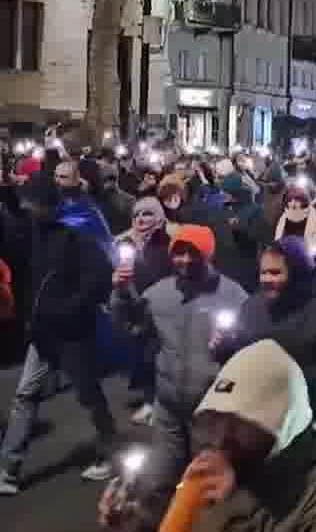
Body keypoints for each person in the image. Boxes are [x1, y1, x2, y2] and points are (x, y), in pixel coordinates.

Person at [99, 339, 316, 532]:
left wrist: (233, 504)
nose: (221, 438)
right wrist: (139, 523)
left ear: (278, 424)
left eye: (240, 422)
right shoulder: (240, 460)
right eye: (216, 420)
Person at [109, 224, 248, 518]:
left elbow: (253, 346)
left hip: (210, 412)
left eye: (192, 254)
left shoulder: (233, 295)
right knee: (157, 481)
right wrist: (121, 292)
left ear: (207, 255)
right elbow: (132, 325)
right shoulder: (159, 294)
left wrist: (231, 343)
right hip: (169, 408)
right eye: (179, 253)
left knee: (204, 489)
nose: (184, 260)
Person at [0, 172, 116, 493]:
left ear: (45, 204)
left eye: (31, 203)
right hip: (42, 333)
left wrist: (69, 310)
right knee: (25, 396)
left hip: (72, 334)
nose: (27, 209)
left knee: (88, 394)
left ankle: (110, 450)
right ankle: (8, 469)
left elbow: (99, 279)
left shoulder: (75, 233)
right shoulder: (32, 233)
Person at [216, 237, 316, 402]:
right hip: (253, 411)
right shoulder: (251, 307)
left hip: (303, 413)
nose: (266, 280)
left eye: (275, 273)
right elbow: (240, 358)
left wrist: (280, 378)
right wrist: (225, 349)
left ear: (298, 273)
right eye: (263, 273)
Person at [113, 197, 173, 425]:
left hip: (160, 309)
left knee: (159, 359)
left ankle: (162, 405)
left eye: (147, 214)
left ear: (158, 216)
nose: (140, 219)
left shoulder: (166, 242)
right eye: (137, 214)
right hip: (134, 307)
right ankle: (150, 401)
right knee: (144, 358)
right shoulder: (123, 243)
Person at [221, 172, 273, 293]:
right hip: (232, 264)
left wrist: (238, 229)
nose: (222, 195)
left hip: (250, 263)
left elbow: (265, 238)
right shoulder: (226, 207)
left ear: (235, 193)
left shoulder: (254, 210)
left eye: (226, 192)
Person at [274, 181, 316, 254]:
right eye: (290, 201)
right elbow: (279, 235)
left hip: (306, 249)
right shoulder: (283, 217)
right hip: (288, 250)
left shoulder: (313, 214)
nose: (293, 204)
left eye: (297, 201)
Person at [97, 161, 136, 235]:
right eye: (106, 179)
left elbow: (134, 223)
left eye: (112, 179)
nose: (110, 182)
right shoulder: (97, 199)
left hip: (122, 239)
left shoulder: (129, 199)